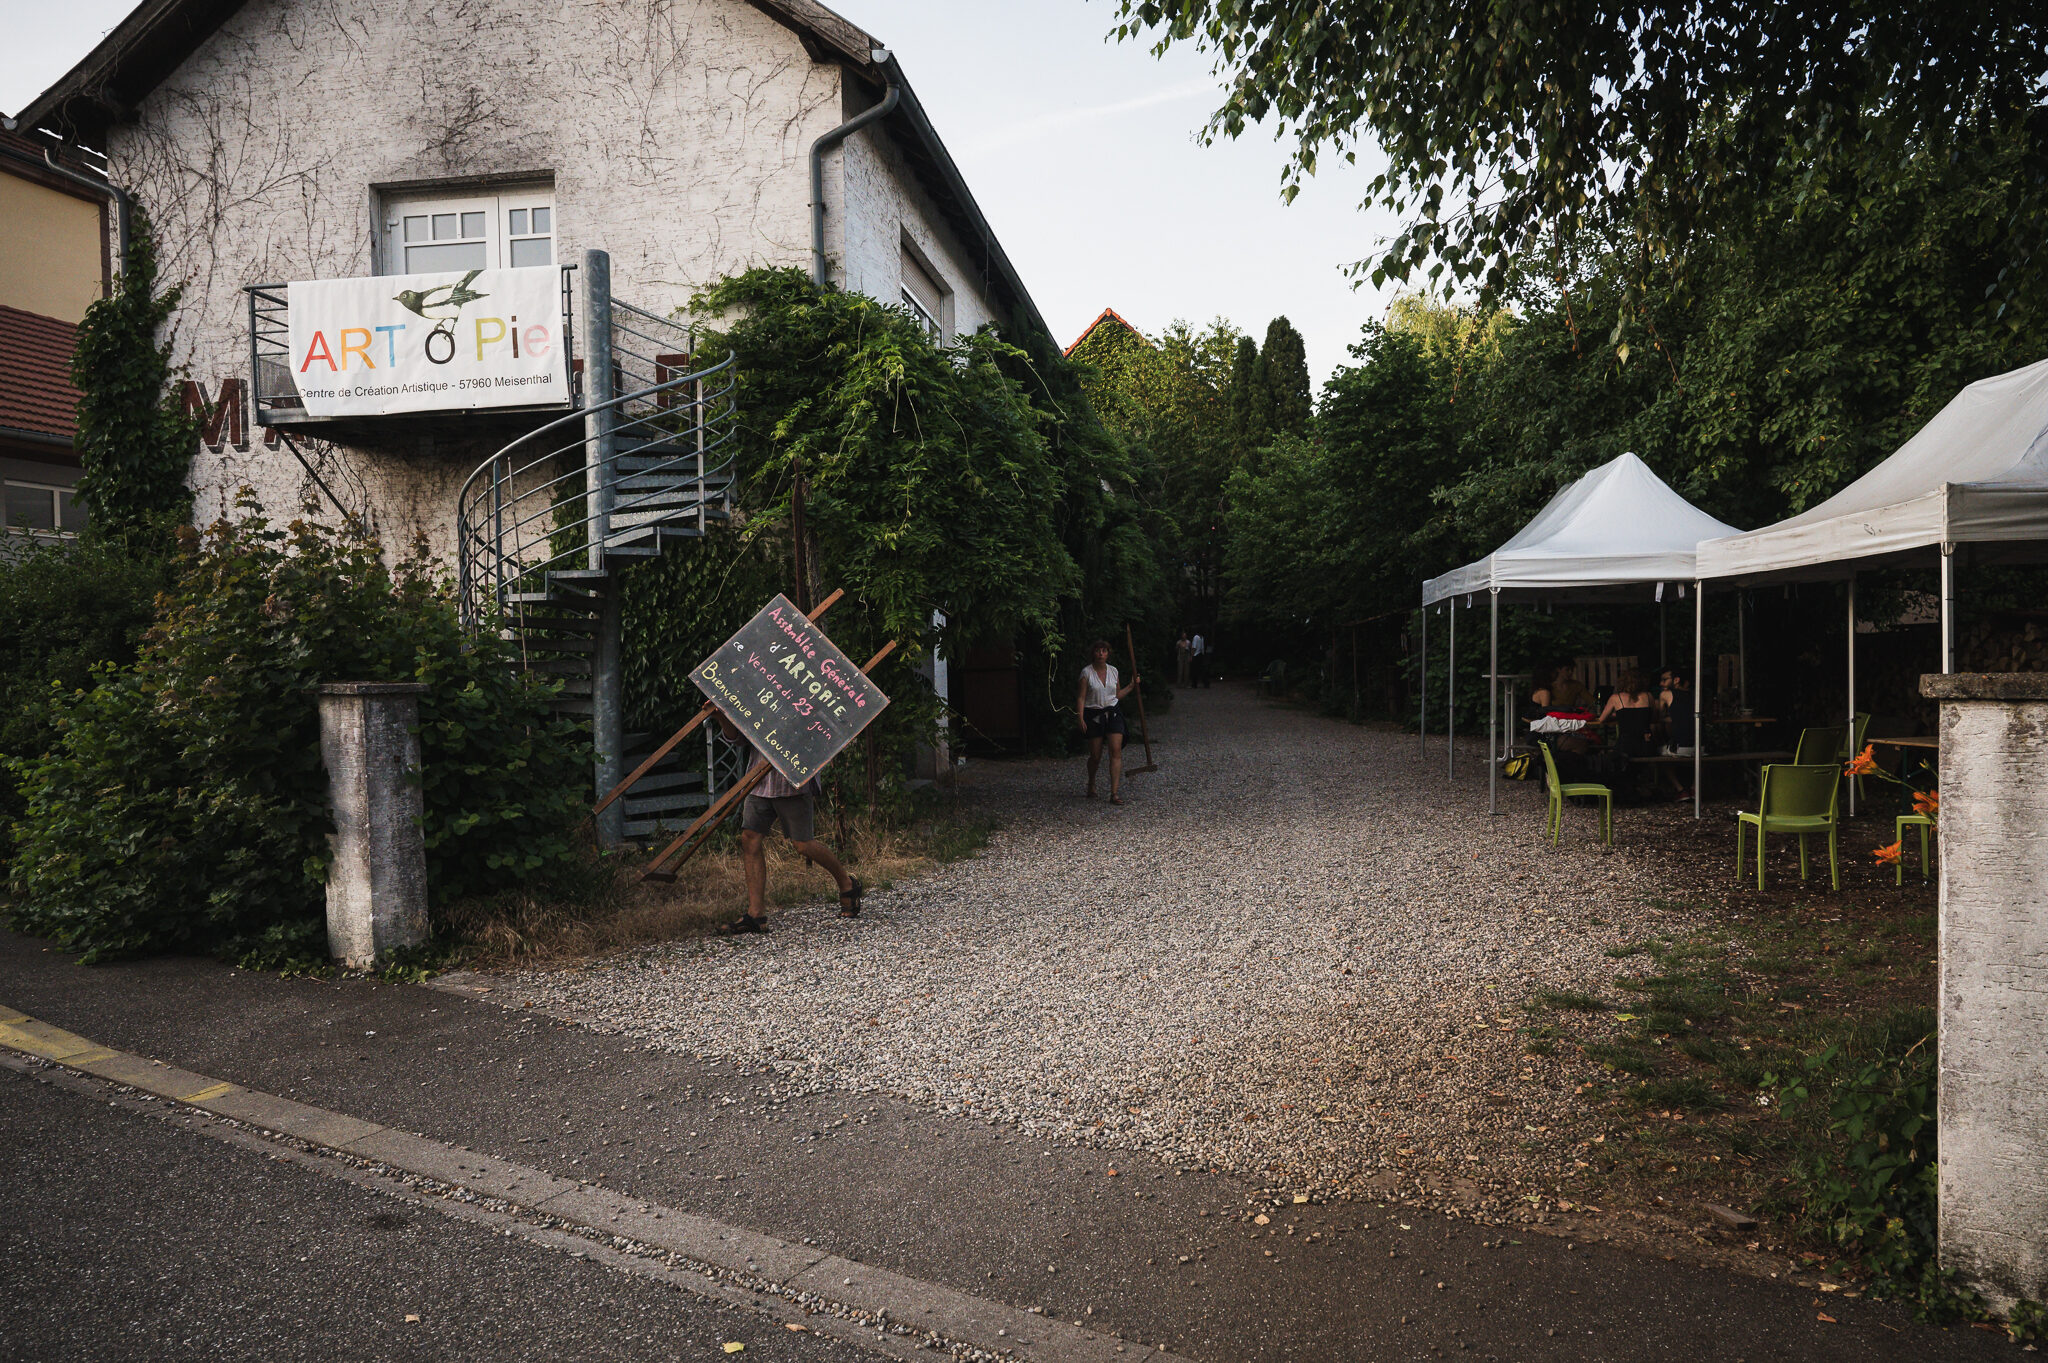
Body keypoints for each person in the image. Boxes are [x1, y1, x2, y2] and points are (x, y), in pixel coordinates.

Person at [714, 712, 862, 935]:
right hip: (759, 780)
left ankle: (847, 884)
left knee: (803, 844)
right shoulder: (758, 696)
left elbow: (823, 738)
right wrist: (721, 715)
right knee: (749, 839)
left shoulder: (806, 699)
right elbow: (739, 738)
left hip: (792, 782)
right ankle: (756, 915)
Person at [1076, 638, 1141, 804]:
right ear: (1093, 653)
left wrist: (1132, 686)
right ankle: (1091, 783)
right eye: (1098, 650)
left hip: (1113, 712)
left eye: (1104, 651)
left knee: (1115, 750)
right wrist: (1080, 717)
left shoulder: (1114, 671)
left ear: (1108, 654)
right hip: (1094, 714)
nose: (1100, 654)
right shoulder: (1086, 673)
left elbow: (1116, 695)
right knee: (1095, 755)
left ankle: (1114, 793)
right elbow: (1082, 697)